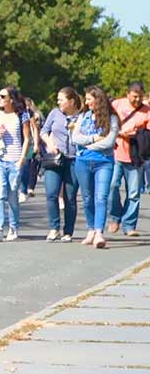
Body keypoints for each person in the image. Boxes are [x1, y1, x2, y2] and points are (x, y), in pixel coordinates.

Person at [72, 86, 118, 249]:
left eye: (89, 99)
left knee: (101, 197)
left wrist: (89, 146)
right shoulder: (83, 116)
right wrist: (93, 138)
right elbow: (75, 137)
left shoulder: (111, 118)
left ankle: (99, 232)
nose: (86, 102)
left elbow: (109, 141)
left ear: (98, 99)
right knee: (87, 197)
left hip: (104, 161)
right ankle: (91, 229)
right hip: (82, 162)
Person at [0, 86, 31, 242]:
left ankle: (13, 227)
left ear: (11, 99)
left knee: (12, 196)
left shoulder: (21, 115)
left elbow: (27, 138)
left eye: (2, 96)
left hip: (15, 160)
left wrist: (21, 159)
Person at [41, 87, 82, 241]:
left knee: (70, 196)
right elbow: (43, 131)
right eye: (57, 99)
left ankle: (68, 231)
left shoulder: (82, 116)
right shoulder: (54, 113)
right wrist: (49, 143)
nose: (58, 102)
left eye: (61, 99)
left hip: (74, 159)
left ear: (71, 101)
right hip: (55, 158)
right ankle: (54, 227)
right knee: (51, 193)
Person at [108, 81, 148, 236]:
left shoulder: (147, 111)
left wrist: (136, 134)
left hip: (136, 156)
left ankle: (129, 224)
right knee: (112, 186)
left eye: (140, 97)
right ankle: (115, 217)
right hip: (116, 153)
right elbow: (106, 123)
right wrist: (118, 133)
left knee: (133, 193)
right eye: (134, 96)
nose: (137, 100)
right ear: (127, 94)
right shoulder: (117, 104)